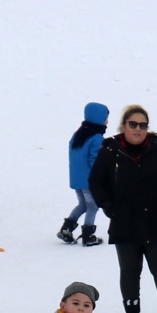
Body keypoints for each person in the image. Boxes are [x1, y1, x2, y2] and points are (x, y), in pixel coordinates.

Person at [88, 104, 157, 313]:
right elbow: (95, 181)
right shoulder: (110, 151)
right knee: (130, 273)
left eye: (143, 125)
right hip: (125, 225)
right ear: (123, 126)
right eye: (133, 124)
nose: (138, 129)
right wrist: (110, 208)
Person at [59, 102, 108, 247]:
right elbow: (95, 161)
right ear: (99, 119)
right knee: (93, 206)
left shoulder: (78, 135)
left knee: (83, 204)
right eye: (106, 117)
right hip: (89, 181)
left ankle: (66, 228)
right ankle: (88, 235)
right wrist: (100, 177)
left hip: (77, 179)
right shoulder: (97, 138)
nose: (107, 121)